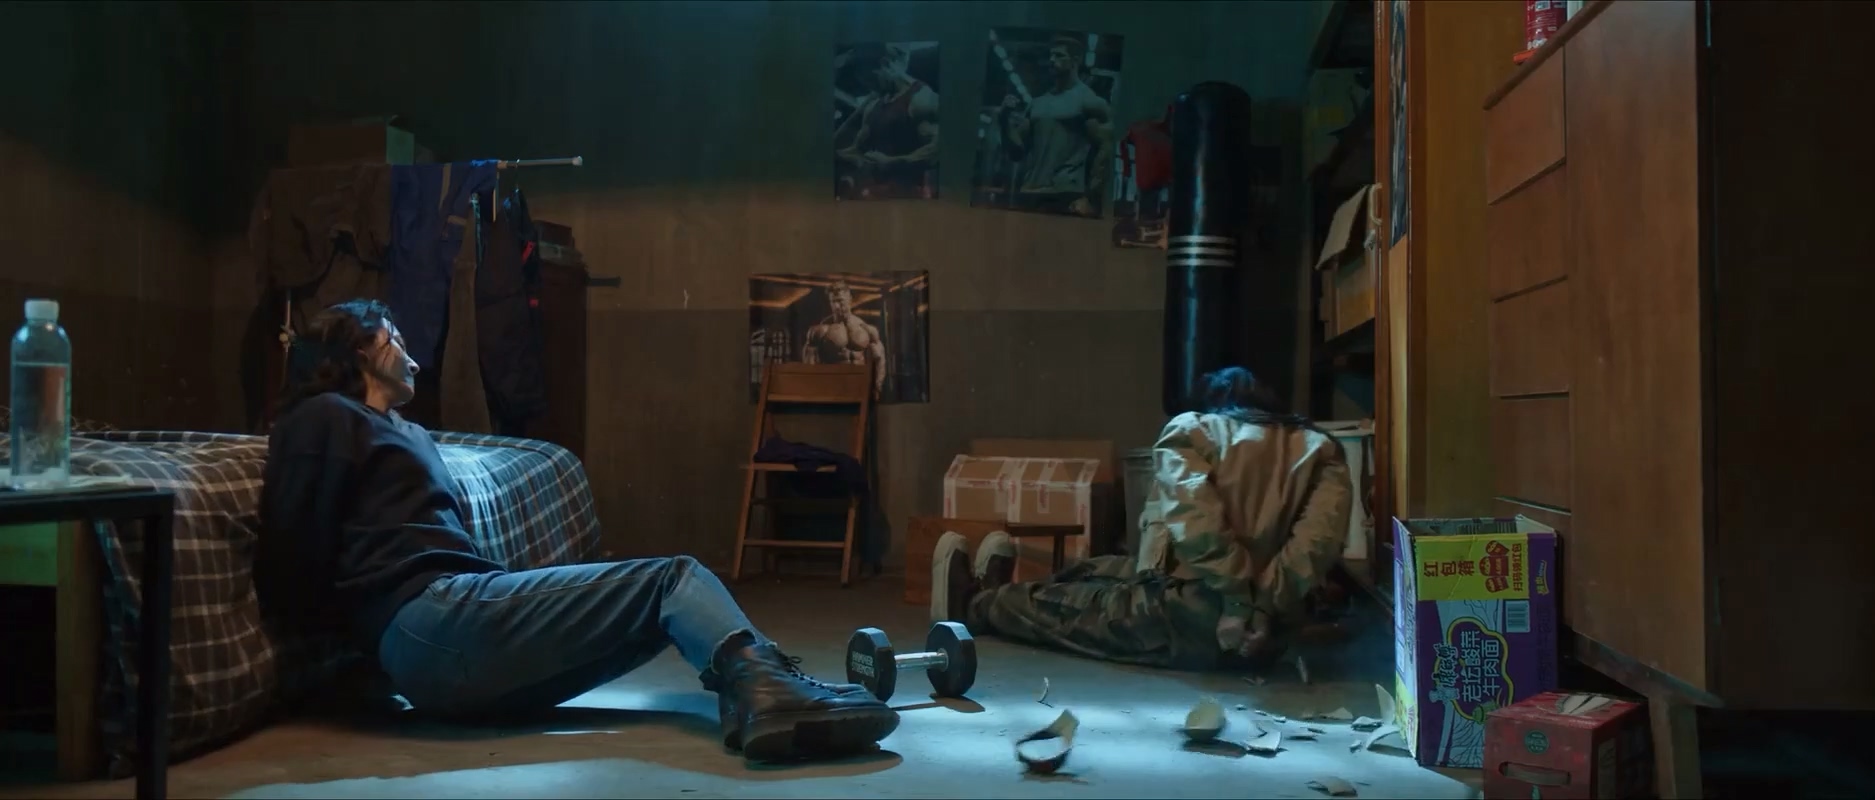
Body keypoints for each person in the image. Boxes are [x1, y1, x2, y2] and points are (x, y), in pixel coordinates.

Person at [254, 298, 899, 762]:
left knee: (658, 620)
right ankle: (767, 685)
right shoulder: (323, 417)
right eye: (393, 336)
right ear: (360, 350)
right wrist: (354, 657)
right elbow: (292, 551)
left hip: (448, 642)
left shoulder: (408, 431)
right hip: (428, 619)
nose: (411, 352)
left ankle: (755, 700)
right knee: (674, 580)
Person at [931, 367, 1352, 671]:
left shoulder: (1194, 430)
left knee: (1073, 611)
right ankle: (998, 592)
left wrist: (1239, 604)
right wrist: (1261, 611)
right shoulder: (1321, 448)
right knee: (1094, 570)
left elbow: (1199, 528)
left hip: (1203, 618)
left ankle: (973, 606)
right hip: (1265, 632)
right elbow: (1312, 550)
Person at [997, 35, 1113, 217]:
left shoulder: (1088, 100)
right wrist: (1003, 119)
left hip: (1065, 193)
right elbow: (1016, 152)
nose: (1052, 60)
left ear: (1075, 61)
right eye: (1051, 55)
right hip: (1030, 191)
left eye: (1059, 55)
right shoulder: (1037, 103)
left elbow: (1107, 148)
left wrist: (1091, 196)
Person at [834, 43, 940, 200]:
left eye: (869, 78)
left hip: (909, 197)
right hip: (876, 196)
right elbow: (858, 150)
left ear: (885, 64)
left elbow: (937, 150)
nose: (867, 85)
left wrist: (892, 163)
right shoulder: (874, 104)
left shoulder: (921, 99)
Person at [800, 279, 888, 395]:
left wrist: (877, 387)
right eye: (833, 301)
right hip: (833, 388)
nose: (836, 306)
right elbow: (809, 366)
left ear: (849, 299)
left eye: (840, 301)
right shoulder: (820, 331)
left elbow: (879, 358)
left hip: (860, 386)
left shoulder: (866, 329)